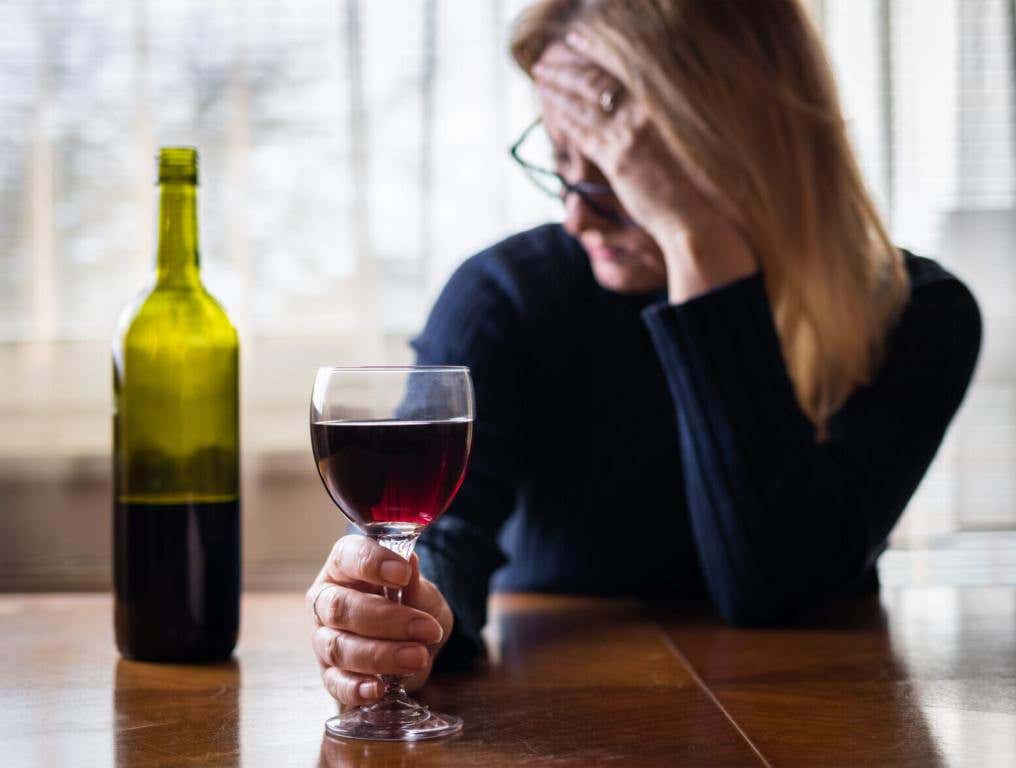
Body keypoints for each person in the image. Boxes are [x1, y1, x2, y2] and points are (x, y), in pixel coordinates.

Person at [306, 0, 981, 708]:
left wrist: (700, 246)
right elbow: (445, 538)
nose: (577, 213)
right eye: (562, 163)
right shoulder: (507, 296)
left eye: (614, 172)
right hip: (570, 718)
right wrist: (397, 615)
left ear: (741, 142)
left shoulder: (919, 317)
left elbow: (774, 586)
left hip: (814, 716)